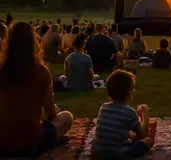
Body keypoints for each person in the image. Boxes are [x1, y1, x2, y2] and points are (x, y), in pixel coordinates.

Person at [0, 22, 73, 157]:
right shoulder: (41, 71)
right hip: (29, 142)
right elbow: (51, 113)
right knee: (66, 117)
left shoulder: (2, 69)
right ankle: (49, 145)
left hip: (2, 142)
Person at [91, 70, 154, 159]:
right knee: (148, 141)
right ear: (128, 93)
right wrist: (146, 115)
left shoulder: (103, 108)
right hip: (117, 155)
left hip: (96, 152)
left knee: (129, 135)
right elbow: (143, 134)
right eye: (133, 88)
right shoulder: (129, 112)